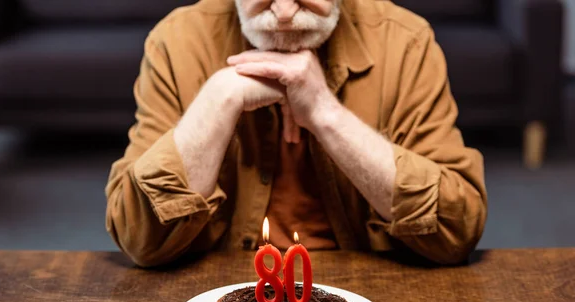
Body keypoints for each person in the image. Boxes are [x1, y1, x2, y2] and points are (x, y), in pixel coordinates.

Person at [105, 0, 487, 267]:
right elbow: (139, 239)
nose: (284, 13)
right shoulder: (176, 40)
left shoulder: (406, 41)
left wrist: (325, 113)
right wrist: (221, 98)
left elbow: (457, 231)